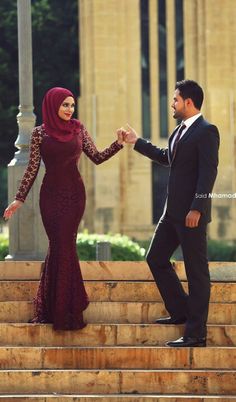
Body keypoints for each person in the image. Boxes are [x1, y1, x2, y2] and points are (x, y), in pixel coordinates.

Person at [4, 86, 124, 330]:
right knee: (59, 245)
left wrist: (118, 143)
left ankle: (64, 308)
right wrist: (19, 198)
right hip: (50, 197)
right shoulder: (39, 134)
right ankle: (59, 307)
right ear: (53, 105)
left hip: (75, 197)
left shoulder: (78, 129)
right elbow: (32, 168)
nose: (70, 109)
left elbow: (97, 157)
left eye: (72, 105)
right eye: (64, 105)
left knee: (66, 245)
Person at [121, 80, 220, 347]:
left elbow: (208, 173)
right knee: (155, 258)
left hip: (191, 215)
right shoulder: (179, 131)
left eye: (175, 99)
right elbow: (167, 157)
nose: (171, 104)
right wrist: (136, 142)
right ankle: (180, 311)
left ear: (189, 102)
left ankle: (196, 334)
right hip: (170, 214)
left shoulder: (207, 131)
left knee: (197, 273)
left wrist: (197, 208)